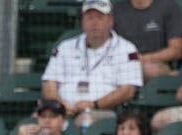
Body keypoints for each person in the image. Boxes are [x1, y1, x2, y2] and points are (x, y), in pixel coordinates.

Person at [42, 0, 143, 128]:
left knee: (85, 120)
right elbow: (49, 83)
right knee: (38, 121)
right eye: (89, 18)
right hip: (62, 110)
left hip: (103, 111)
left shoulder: (126, 49)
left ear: (110, 21)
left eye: (100, 18)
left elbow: (128, 90)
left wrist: (94, 105)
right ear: (83, 22)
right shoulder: (65, 47)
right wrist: (60, 105)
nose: (94, 23)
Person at [112, 0, 182, 81]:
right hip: (124, 62)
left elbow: (176, 50)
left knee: (148, 70)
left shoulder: (169, 6)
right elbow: (107, 45)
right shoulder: (116, 8)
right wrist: (132, 59)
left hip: (158, 63)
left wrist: (143, 59)